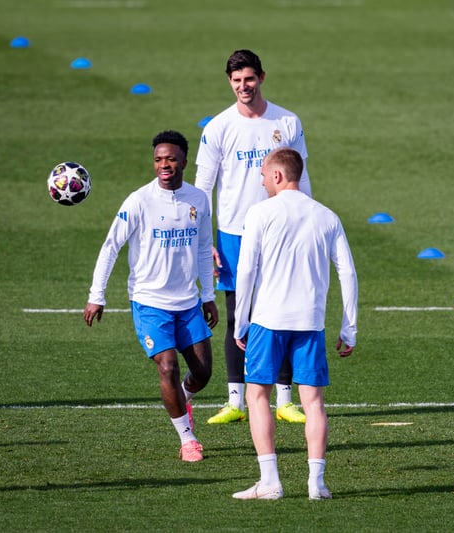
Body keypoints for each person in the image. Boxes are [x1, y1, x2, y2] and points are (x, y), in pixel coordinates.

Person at [231, 148, 358, 500]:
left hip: (267, 320)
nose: (261, 181)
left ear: (277, 175)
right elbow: (348, 273)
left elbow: (246, 270)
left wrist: (240, 321)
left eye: (263, 174)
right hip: (310, 322)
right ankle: (317, 483)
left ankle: (270, 482)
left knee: (257, 395)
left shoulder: (259, 213)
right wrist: (349, 327)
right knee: (313, 402)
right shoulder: (327, 216)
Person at [84, 130, 218, 463]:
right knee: (168, 366)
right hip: (149, 302)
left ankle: (182, 400)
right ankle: (187, 439)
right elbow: (111, 246)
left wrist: (208, 295)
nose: (164, 165)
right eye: (158, 159)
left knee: (203, 373)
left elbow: (204, 248)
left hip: (188, 303)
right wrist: (97, 294)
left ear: (184, 162)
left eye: (171, 159)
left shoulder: (199, 199)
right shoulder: (139, 201)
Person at [195, 49, 312, 425]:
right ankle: (235, 402)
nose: (243, 86)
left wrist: (306, 222)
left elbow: (301, 177)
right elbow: (203, 189)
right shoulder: (218, 128)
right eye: (236, 81)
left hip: (282, 231)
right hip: (234, 234)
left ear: (261, 77)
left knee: (283, 313)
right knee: (236, 316)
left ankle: (285, 400)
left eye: (248, 79)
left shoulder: (287, 121)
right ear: (229, 82)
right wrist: (204, 242)